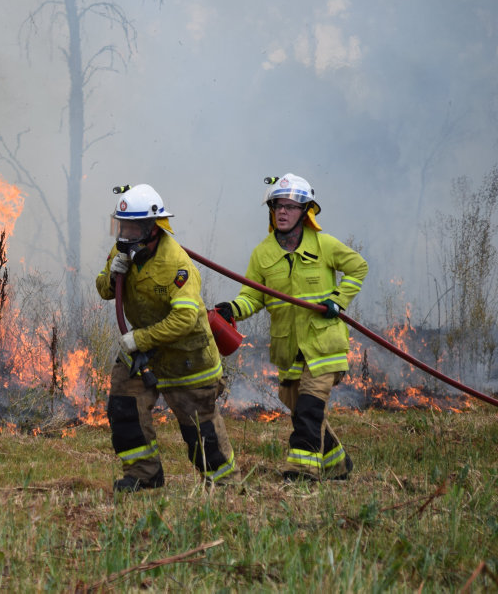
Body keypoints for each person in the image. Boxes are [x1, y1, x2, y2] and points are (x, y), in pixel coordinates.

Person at [215, 173, 368, 482]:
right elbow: (253, 296)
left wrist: (338, 299)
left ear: (305, 211)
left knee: (310, 408)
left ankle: (302, 470)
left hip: (323, 346)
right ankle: (338, 464)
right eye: (277, 206)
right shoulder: (263, 254)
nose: (281, 212)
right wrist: (233, 308)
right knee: (302, 412)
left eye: (289, 206)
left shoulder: (323, 245)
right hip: (290, 349)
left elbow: (357, 267)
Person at [96, 184, 236, 492]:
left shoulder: (177, 263)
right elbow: (105, 290)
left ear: (152, 228)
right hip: (144, 349)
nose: (126, 233)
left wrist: (140, 339)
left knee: (200, 432)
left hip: (187, 355)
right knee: (124, 406)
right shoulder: (121, 249)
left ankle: (225, 484)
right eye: (123, 225)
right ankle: (144, 475)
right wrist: (112, 274)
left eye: (133, 227)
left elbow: (185, 319)